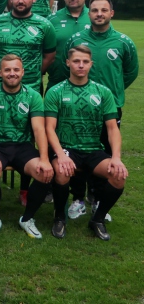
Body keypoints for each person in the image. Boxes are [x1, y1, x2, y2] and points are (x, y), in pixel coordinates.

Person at [65, 0, 138, 220]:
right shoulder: (77, 39)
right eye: (95, 10)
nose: (99, 14)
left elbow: (130, 71)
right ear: (89, 13)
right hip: (78, 107)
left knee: (104, 153)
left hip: (109, 108)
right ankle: (77, 198)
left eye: (103, 10)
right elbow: (67, 63)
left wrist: (112, 92)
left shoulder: (123, 41)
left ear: (111, 13)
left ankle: (96, 198)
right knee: (76, 149)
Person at [44, 46, 127, 240]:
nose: (80, 65)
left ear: (91, 64)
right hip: (66, 147)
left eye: (85, 62)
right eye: (76, 61)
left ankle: (97, 219)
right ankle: (59, 218)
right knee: (62, 171)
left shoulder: (103, 92)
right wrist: (61, 155)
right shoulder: (56, 91)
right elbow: (49, 128)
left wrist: (116, 158)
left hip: (93, 150)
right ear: (68, 63)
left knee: (118, 176)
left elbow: (112, 128)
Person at [0, 54, 53, 238]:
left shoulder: (33, 95)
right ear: (0, 72)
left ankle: (27, 219)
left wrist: (44, 159)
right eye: (7, 70)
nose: (12, 73)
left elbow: (39, 129)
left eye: (16, 69)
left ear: (22, 72)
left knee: (44, 173)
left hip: (22, 146)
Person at [45, 0, 90, 217]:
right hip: (56, 88)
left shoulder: (94, 18)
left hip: (86, 92)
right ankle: (51, 183)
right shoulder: (52, 20)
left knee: (83, 139)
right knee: (53, 134)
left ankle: (81, 195)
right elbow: (46, 52)